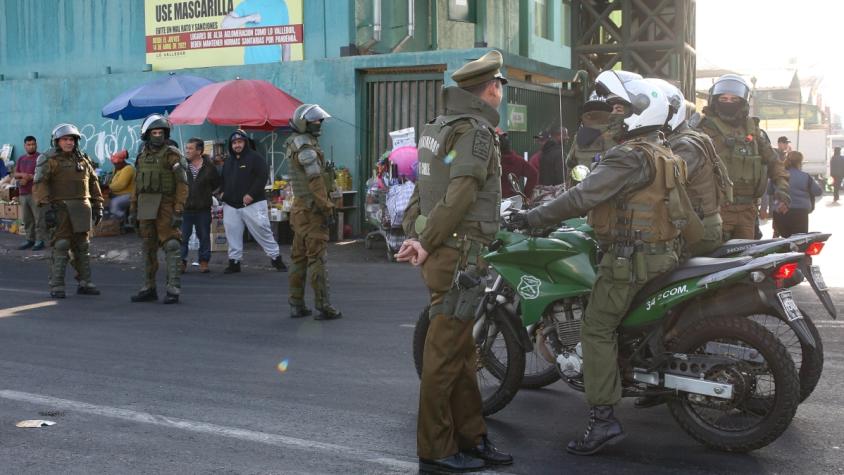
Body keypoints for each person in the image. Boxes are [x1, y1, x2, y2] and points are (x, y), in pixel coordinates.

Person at [515, 71, 696, 456]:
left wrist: (533, 218)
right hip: (663, 254)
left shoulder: (627, 156)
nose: (611, 115)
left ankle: (603, 421)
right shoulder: (662, 151)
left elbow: (582, 196)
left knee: (595, 330)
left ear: (641, 112)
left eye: (619, 108)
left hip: (630, 263)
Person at [397, 50, 513, 473]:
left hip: (447, 251)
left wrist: (417, 235)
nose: (499, 91)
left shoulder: (437, 126)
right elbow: (461, 191)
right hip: (460, 254)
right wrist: (425, 240)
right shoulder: (475, 132)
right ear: (491, 88)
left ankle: (471, 435)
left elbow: (423, 188)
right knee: (445, 355)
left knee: (463, 352)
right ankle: (437, 449)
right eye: (499, 85)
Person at [695, 74, 790, 240]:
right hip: (717, 210)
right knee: (717, 261)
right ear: (715, 100)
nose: (729, 102)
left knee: (746, 259)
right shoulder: (703, 129)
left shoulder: (753, 131)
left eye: (734, 99)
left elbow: (774, 162)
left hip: (747, 210)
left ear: (743, 102)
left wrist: (781, 188)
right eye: (724, 98)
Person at [651, 78, 730, 257]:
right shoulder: (682, 138)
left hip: (697, 231)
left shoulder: (684, 145)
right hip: (694, 225)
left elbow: (658, 184)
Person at [284, 104, 342, 320]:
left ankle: (296, 304)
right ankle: (323, 306)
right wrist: (327, 207)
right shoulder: (306, 148)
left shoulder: (297, 144)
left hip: (300, 210)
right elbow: (315, 181)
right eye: (315, 121)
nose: (319, 124)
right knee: (316, 258)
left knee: (298, 258)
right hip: (312, 211)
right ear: (303, 122)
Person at [33, 124, 104, 298]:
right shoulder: (48, 159)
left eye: (71, 139)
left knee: (83, 246)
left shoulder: (83, 160)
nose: (69, 142)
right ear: (57, 141)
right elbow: (40, 184)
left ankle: (85, 282)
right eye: (65, 139)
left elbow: (93, 184)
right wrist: (46, 207)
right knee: (61, 245)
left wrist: (98, 205)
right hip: (60, 209)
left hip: (82, 208)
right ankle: (57, 285)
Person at [128, 114, 189, 304]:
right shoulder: (141, 156)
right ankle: (149, 287)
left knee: (172, 245)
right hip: (146, 205)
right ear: (147, 135)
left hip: (166, 204)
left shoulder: (173, 154)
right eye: (154, 132)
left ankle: (173, 288)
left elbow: (182, 184)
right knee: (147, 247)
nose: (157, 136)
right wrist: (133, 209)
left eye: (160, 132)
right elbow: (137, 186)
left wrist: (178, 209)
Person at [219, 129, 287, 274]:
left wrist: (251, 194)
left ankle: (276, 258)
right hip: (231, 204)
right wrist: (222, 193)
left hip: (253, 203)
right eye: (234, 143)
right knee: (232, 233)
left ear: (245, 143)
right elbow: (223, 179)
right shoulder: (229, 161)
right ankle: (234, 262)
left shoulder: (255, 158)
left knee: (262, 230)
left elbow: (262, 177)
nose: (237, 145)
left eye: (240, 142)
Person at [180, 138, 221, 274]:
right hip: (185, 208)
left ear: (199, 151)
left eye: (190, 148)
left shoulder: (209, 167)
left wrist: (206, 194)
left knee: (203, 236)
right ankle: (181, 262)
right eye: (187, 148)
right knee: (182, 237)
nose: (187, 151)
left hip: (202, 208)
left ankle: (204, 262)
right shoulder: (182, 165)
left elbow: (216, 184)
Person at [565, 94, 616, 182]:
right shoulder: (618, 135)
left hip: (584, 189)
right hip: (612, 188)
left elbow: (569, 163)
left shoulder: (580, 136)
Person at [771, 151, 822, 237]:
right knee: (799, 241)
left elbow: (769, 191)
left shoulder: (778, 175)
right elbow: (818, 192)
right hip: (800, 213)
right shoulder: (805, 176)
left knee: (785, 240)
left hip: (781, 213)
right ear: (800, 163)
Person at [15, 135, 47, 250]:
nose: (31, 146)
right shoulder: (21, 159)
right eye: (29, 144)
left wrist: (29, 177)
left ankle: (40, 240)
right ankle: (30, 239)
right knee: (27, 219)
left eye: (33, 144)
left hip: (36, 193)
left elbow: (44, 175)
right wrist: (23, 176)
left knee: (38, 218)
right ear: (25, 146)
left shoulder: (41, 158)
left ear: (36, 144)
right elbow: (15, 173)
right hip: (23, 193)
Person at [498, 130, 537, 198]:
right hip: (513, 201)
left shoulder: (493, 161)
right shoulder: (518, 160)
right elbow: (534, 174)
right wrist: (526, 195)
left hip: (494, 200)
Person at [107, 149, 135, 220]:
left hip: (130, 195)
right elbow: (112, 182)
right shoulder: (117, 168)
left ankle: (123, 219)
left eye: (116, 164)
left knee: (114, 203)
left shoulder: (128, 169)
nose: (115, 165)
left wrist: (108, 187)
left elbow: (121, 185)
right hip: (119, 194)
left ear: (122, 162)